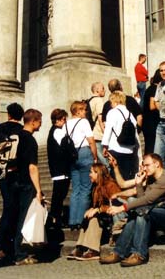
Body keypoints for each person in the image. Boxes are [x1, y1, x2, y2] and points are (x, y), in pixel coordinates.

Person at [100, 153, 165, 267]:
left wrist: (121, 208)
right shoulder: (152, 180)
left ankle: (139, 254)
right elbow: (142, 199)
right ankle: (119, 252)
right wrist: (139, 184)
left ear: (157, 164)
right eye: (144, 165)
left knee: (144, 212)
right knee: (139, 211)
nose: (144, 168)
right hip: (164, 212)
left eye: (147, 165)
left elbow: (147, 200)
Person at [68, 163, 120, 261]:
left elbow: (117, 204)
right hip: (104, 215)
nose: (89, 174)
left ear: (98, 173)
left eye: (91, 172)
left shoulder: (111, 185)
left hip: (113, 217)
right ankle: (81, 247)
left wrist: (98, 209)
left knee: (95, 218)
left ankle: (93, 250)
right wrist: (92, 209)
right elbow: (97, 205)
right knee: (88, 216)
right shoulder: (96, 187)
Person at [12, 108, 44, 265]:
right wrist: (38, 190)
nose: (41, 124)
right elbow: (32, 167)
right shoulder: (30, 140)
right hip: (25, 183)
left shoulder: (16, 136)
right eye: (40, 121)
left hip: (13, 181)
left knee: (16, 216)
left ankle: (12, 250)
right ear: (33, 121)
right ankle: (20, 254)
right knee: (24, 218)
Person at [0, 102, 24, 259]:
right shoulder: (22, 131)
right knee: (14, 207)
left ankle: (1, 246)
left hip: (0, 172)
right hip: (15, 173)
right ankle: (8, 244)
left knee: (8, 206)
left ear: (9, 114)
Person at [59, 101, 97, 231]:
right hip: (84, 152)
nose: (86, 112)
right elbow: (91, 141)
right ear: (78, 111)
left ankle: (72, 220)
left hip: (71, 156)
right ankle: (81, 219)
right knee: (86, 188)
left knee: (75, 189)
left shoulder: (66, 125)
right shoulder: (84, 122)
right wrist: (95, 156)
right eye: (84, 110)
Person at [102, 91, 138, 180]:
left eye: (111, 102)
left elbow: (108, 130)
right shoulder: (130, 114)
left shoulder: (112, 112)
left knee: (115, 176)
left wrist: (105, 146)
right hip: (129, 149)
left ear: (115, 101)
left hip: (115, 147)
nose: (110, 104)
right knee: (126, 176)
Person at [47, 108, 70, 230]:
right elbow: (66, 146)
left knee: (59, 195)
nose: (65, 122)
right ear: (58, 120)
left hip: (58, 169)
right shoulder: (58, 131)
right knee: (59, 195)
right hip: (61, 169)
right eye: (63, 119)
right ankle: (55, 219)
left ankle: (55, 218)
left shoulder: (53, 131)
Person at [142, 70, 162, 154]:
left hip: (147, 122)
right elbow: (152, 106)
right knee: (152, 148)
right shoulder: (155, 89)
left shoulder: (149, 89)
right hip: (152, 123)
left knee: (149, 147)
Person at [88, 82, 107, 165]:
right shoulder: (99, 100)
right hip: (99, 135)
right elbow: (100, 118)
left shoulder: (90, 101)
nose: (105, 90)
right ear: (97, 90)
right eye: (103, 88)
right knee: (106, 163)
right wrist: (105, 133)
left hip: (92, 134)